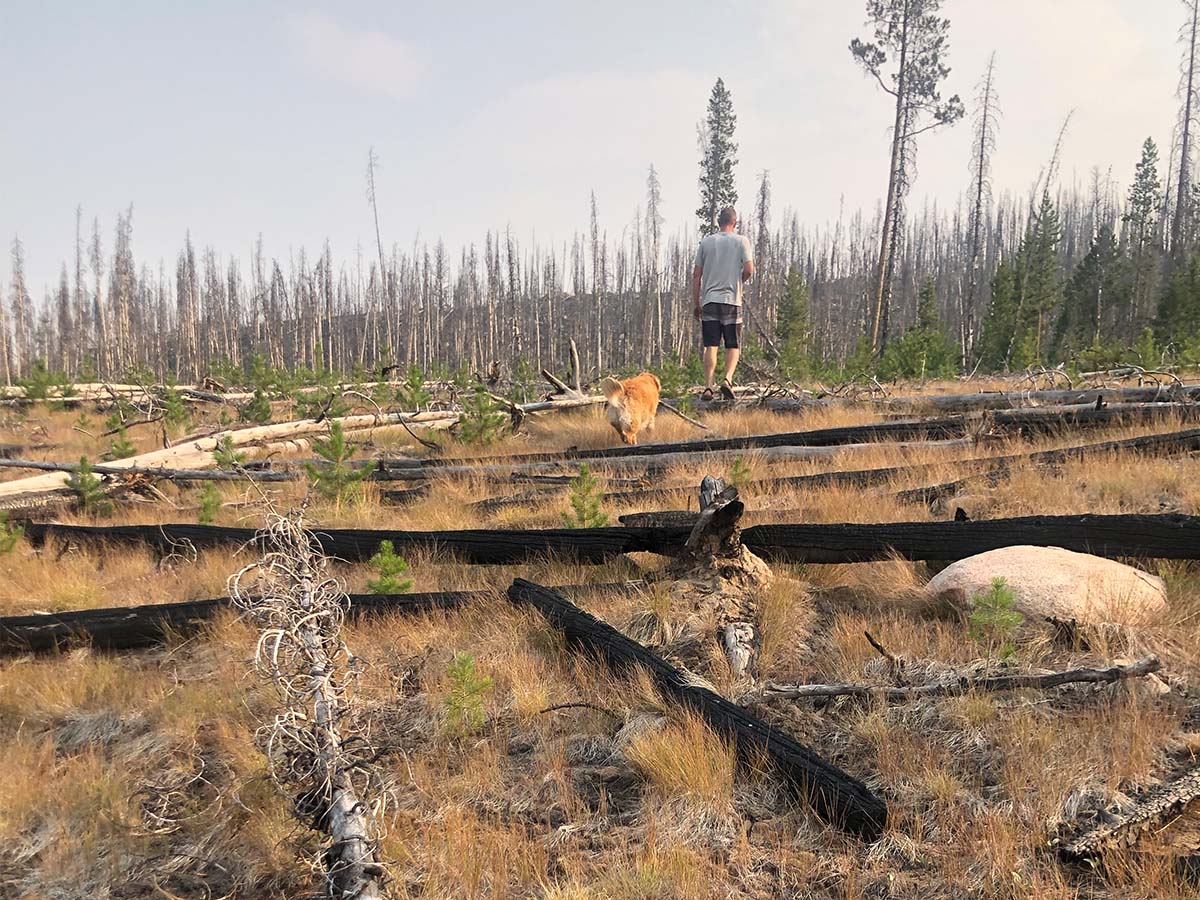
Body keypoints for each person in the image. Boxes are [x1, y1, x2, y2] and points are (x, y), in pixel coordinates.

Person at [692, 206, 754, 400]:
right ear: (734, 223)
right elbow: (750, 269)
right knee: (732, 345)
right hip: (732, 301)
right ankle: (727, 380)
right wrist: (738, 281)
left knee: (711, 345)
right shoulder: (742, 241)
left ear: (719, 223)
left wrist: (697, 303)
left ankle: (709, 386)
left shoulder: (706, 242)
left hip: (710, 299)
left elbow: (696, 275)